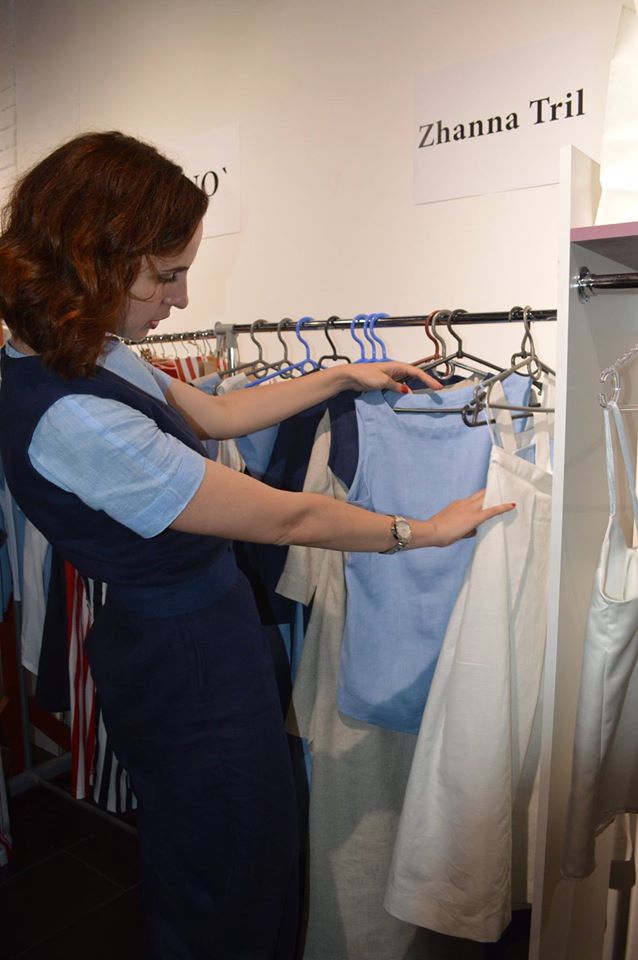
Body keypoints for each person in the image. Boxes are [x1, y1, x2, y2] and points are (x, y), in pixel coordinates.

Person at [0, 131, 515, 960]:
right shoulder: (71, 416)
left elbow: (214, 412)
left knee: (232, 849)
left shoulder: (86, 352)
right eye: (166, 275)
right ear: (90, 260)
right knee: (229, 868)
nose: (181, 299)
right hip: (183, 657)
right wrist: (422, 531)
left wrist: (342, 375)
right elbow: (284, 519)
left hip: (194, 633)